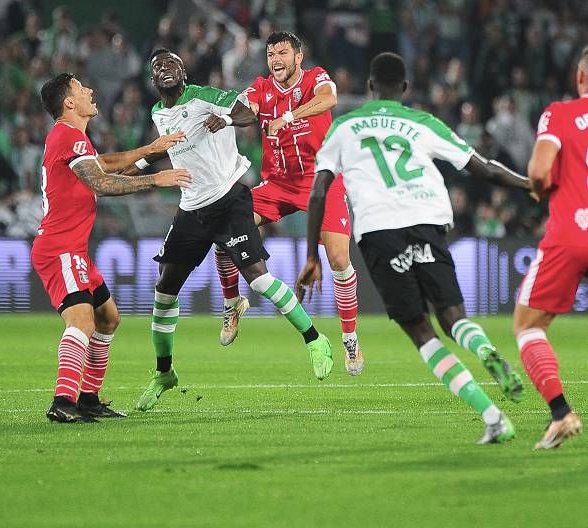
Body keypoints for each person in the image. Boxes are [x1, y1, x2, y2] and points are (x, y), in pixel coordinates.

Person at [301, 52, 531, 444]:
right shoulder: (423, 122)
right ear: (405, 88)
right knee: (454, 316)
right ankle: (485, 347)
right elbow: (485, 168)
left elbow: (319, 191)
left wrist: (311, 255)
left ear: (371, 86)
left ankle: (493, 417)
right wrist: (531, 185)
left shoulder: (344, 127)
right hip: (427, 218)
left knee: (421, 331)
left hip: (379, 228)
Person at [133, 49, 333, 412]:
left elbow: (246, 113)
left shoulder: (206, 96)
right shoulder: (157, 113)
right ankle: (164, 373)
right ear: (152, 80)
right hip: (191, 209)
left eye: (172, 63)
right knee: (164, 291)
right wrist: (132, 168)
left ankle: (315, 339)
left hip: (229, 199)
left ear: (184, 71)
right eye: (158, 66)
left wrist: (224, 117)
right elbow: (164, 149)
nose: (165, 69)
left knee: (258, 279)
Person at [33, 72, 191, 423]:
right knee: (81, 322)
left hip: (74, 249)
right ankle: (63, 401)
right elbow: (101, 183)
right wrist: (156, 178)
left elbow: (102, 165)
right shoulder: (66, 135)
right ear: (69, 103)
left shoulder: (74, 139)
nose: (90, 89)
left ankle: (88, 399)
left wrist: (150, 151)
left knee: (108, 317)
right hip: (59, 249)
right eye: (80, 87)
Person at [214, 31, 364, 376]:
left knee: (340, 259)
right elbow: (246, 106)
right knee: (223, 226)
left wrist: (289, 116)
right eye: (270, 55)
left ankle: (350, 338)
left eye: (282, 52)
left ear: (299, 56)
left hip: (321, 181)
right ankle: (232, 303)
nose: (275, 59)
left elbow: (328, 99)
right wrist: (236, 113)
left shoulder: (315, 78)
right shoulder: (261, 87)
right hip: (278, 184)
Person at [513, 47, 588, 450]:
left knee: (528, 326)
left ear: (581, 77)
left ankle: (561, 413)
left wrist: (539, 190)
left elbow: (540, 171)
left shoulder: (559, 114)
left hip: (573, 233)